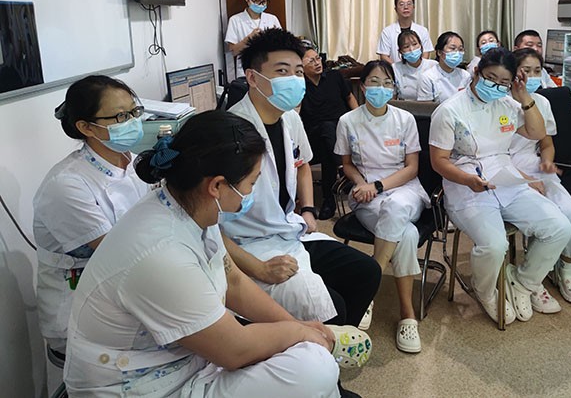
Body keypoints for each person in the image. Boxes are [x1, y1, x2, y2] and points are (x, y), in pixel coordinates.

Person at [64, 110, 370, 397]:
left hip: (184, 358)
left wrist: (301, 327)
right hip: (141, 385)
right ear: (217, 185)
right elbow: (234, 351)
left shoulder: (193, 208)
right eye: (251, 183)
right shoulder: (161, 253)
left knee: (306, 353)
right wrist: (299, 333)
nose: (251, 192)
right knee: (315, 368)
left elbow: (233, 280)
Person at [224, 28, 382, 333]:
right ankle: (321, 349)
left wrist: (308, 209)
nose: (295, 80)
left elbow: (303, 164)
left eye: (298, 72)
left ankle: (331, 347)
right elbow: (206, 226)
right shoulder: (230, 132)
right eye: (282, 71)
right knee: (331, 307)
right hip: (247, 245)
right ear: (253, 78)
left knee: (366, 272)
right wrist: (258, 269)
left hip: (288, 230)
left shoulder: (289, 118)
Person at [429, 48, 571, 324]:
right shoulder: (449, 110)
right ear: (476, 72)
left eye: (503, 82)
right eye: (490, 78)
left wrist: (524, 97)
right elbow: (439, 161)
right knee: (495, 245)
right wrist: (468, 180)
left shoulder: (507, 104)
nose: (495, 86)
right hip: (465, 183)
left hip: (505, 177)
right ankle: (486, 292)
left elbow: (537, 133)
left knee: (560, 227)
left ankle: (523, 282)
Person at [34, 75, 149, 355]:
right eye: (120, 116)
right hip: (81, 309)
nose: (132, 122)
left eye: (134, 112)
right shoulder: (67, 184)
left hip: (128, 288)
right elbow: (119, 256)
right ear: (86, 127)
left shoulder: (132, 162)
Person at [335, 60, 429, 353]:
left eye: (387, 83)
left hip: (404, 189)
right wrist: (361, 184)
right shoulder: (348, 121)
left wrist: (377, 186)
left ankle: (367, 289)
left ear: (394, 88)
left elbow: (412, 168)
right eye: (374, 82)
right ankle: (407, 315)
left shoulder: (405, 119)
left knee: (396, 208)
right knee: (408, 234)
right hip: (366, 195)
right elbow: (347, 164)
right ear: (363, 87)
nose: (381, 88)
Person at [509, 49, 571, 304]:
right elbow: (492, 154)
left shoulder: (542, 102)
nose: (532, 76)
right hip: (505, 169)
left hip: (534, 166)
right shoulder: (500, 102)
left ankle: (566, 271)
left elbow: (546, 144)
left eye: (537, 71)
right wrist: (525, 179)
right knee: (549, 221)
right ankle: (532, 278)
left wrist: (546, 162)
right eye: (526, 71)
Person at [300, 46, 359, 219]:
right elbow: (296, 112)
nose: (317, 63)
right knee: (326, 133)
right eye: (311, 60)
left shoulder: (334, 76)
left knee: (328, 147)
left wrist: (359, 120)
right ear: (301, 65)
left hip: (342, 132)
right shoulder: (299, 85)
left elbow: (349, 97)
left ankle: (329, 200)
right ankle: (343, 171)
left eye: (318, 58)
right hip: (313, 136)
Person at [225, 0, 282, 77]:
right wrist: (249, 39)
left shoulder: (272, 19)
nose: (261, 5)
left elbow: (281, 46)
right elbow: (233, 51)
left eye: (264, 1)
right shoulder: (235, 20)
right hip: (246, 73)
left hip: (271, 70)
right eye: (257, 1)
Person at [376, 0, 434, 64]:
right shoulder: (387, 31)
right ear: (396, 9)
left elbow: (426, 53)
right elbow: (384, 56)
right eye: (401, 4)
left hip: (419, 70)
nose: (406, 7)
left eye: (409, 4)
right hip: (395, 70)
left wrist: (417, 67)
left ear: (413, 7)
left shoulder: (423, 30)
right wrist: (397, 68)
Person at [417, 31, 471, 103]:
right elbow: (426, 107)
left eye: (460, 49)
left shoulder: (465, 75)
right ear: (439, 52)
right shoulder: (428, 77)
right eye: (452, 48)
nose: (457, 53)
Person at [392, 29, 438, 100]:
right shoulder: (395, 68)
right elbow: (393, 98)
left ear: (420, 45)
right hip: (404, 106)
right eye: (406, 47)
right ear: (400, 51)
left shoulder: (433, 65)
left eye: (414, 44)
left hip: (431, 105)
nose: (412, 49)